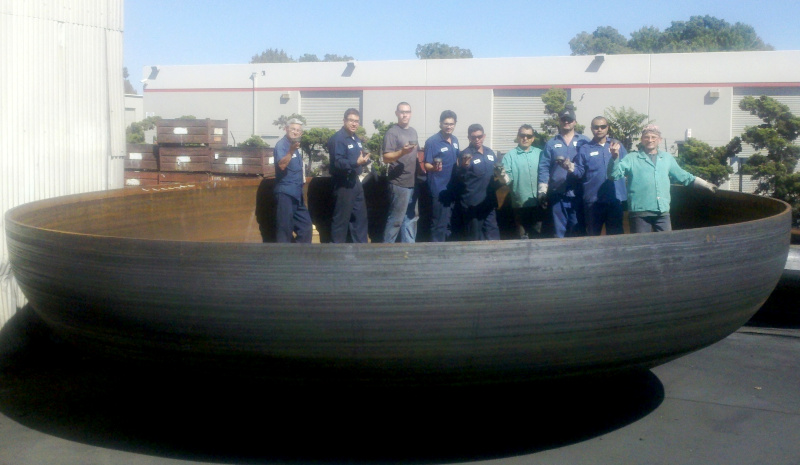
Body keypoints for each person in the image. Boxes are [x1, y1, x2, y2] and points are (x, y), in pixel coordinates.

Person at [608, 124, 717, 233]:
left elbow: (683, 176)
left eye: (653, 137)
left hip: (662, 212)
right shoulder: (632, 158)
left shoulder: (666, 158)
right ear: (641, 140)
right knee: (641, 246)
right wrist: (614, 157)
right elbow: (614, 175)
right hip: (639, 212)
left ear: (659, 140)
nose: (650, 140)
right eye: (646, 137)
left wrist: (705, 184)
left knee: (666, 245)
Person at [567, 116, 628, 235]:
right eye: (596, 127)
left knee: (616, 238)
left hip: (615, 199)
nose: (599, 129)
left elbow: (628, 168)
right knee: (593, 237)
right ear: (591, 129)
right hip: (593, 201)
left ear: (607, 128)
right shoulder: (585, 149)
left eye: (603, 126)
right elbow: (579, 172)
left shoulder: (617, 146)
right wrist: (569, 167)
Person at [538, 108, 590, 238]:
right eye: (563, 119)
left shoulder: (585, 141)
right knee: (558, 232)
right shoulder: (551, 143)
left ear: (575, 122)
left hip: (578, 194)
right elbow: (544, 167)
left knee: (578, 231)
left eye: (569, 120)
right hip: (557, 194)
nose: (566, 122)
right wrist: (542, 190)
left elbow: (590, 165)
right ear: (559, 122)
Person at [327, 108, 371, 243]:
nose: (354, 124)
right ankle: (337, 253)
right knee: (341, 220)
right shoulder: (338, 139)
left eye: (356, 121)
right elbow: (338, 162)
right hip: (343, 183)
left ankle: (360, 251)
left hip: (355, 182)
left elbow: (358, 158)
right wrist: (355, 162)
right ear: (344, 121)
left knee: (360, 219)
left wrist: (365, 161)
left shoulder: (356, 139)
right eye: (351, 120)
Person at [382, 102, 419, 243]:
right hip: (398, 183)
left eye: (407, 112)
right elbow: (386, 157)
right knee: (396, 220)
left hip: (412, 182)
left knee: (411, 218)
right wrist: (402, 152)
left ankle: (408, 251)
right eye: (402, 112)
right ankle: (387, 251)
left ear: (411, 113)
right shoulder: (392, 132)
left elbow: (416, 154)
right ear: (396, 113)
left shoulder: (413, 132)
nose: (405, 114)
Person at [501, 124, 546, 239]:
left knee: (538, 236)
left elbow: (546, 173)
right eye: (522, 135)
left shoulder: (541, 153)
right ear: (518, 136)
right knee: (522, 238)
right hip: (520, 204)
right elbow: (507, 179)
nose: (525, 138)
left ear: (533, 138)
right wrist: (502, 176)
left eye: (528, 136)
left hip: (538, 203)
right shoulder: (509, 156)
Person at [272, 118, 313, 243]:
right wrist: (291, 151)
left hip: (297, 194)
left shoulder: (296, 147)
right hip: (285, 193)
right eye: (293, 129)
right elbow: (282, 165)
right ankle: (285, 259)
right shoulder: (282, 145)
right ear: (286, 129)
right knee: (284, 230)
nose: (296, 132)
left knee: (306, 228)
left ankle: (300, 258)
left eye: (298, 130)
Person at [457, 124, 500, 241]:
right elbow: (460, 178)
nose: (477, 140)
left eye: (479, 136)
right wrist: (464, 167)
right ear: (469, 138)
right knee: (475, 238)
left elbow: (497, 171)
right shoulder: (465, 154)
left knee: (493, 234)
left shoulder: (489, 152)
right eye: (473, 137)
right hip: (473, 204)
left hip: (489, 202)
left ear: (484, 136)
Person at [424, 110, 460, 242]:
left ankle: (447, 251)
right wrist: (434, 167)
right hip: (439, 189)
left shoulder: (455, 140)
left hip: (452, 188)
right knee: (439, 223)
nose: (449, 126)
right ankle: (436, 252)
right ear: (440, 124)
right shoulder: (432, 142)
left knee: (449, 222)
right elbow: (426, 164)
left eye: (451, 124)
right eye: (446, 123)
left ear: (455, 124)